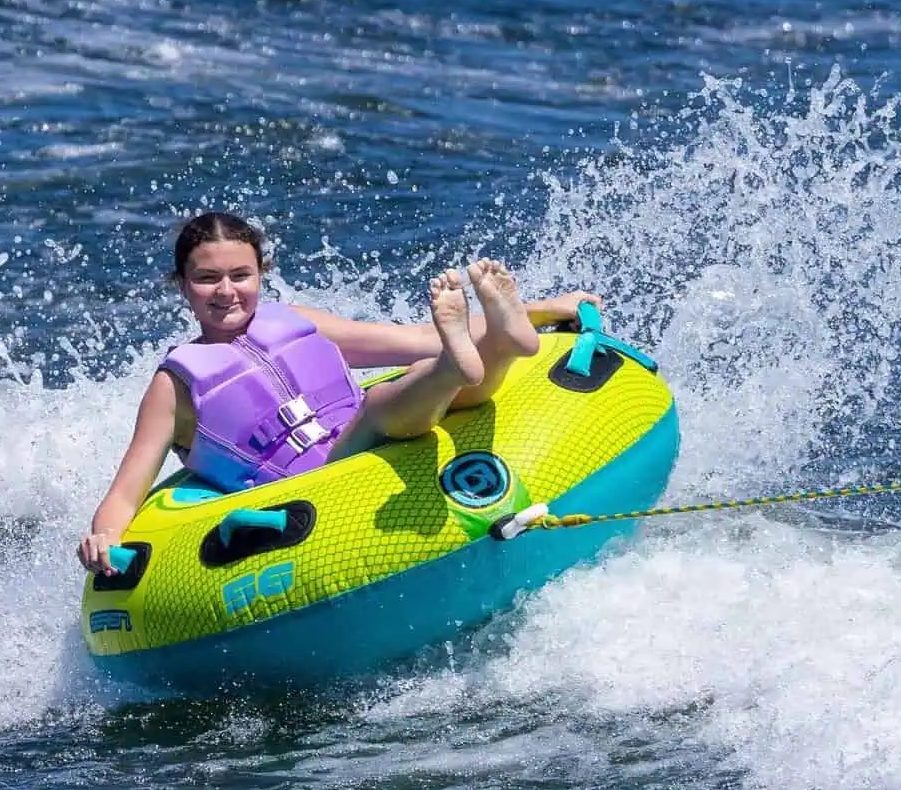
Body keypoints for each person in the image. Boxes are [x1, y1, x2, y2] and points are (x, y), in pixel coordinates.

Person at [77, 211, 596, 573]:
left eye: (241, 275)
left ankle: (503, 342)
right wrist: (104, 539)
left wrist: (548, 309)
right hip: (317, 489)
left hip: (383, 432)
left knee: (424, 374)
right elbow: (125, 493)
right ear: (183, 285)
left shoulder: (295, 322)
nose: (227, 290)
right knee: (381, 403)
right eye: (207, 278)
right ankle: (458, 364)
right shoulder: (175, 386)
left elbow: (416, 337)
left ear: (261, 275)